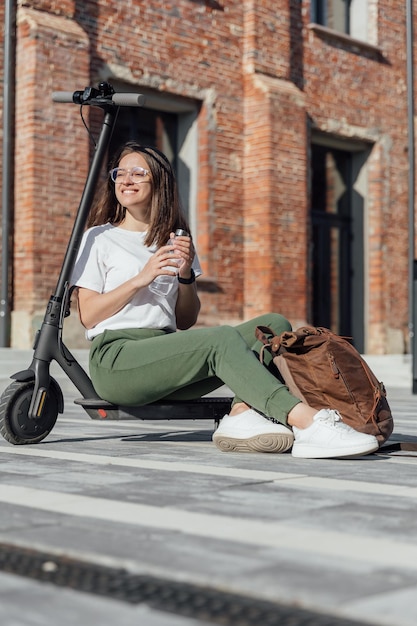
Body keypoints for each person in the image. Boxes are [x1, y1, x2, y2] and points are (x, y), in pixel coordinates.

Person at [71, 141, 378, 459]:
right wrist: (141, 278)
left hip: (163, 357)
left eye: (138, 173)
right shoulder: (99, 238)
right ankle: (307, 422)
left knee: (272, 325)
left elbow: (184, 320)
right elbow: (89, 315)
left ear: (159, 182)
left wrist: (186, 276)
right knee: (220, 338)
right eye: (120, 173)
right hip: (118, 360)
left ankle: (241, 413)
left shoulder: (175, 240)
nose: (126, 180)